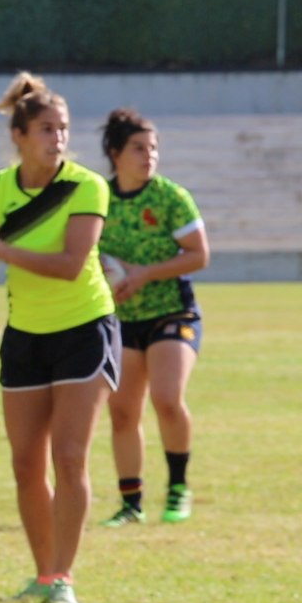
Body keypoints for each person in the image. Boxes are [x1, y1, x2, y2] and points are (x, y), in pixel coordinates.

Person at [0, 71, 119, 603]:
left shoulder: (86, 186)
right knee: (25, 464)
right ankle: (42, 573)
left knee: (69, 457)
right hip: (25, 334)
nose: (59, 138)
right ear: (20, 136)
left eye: (64, 129)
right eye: (47, 129)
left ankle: (63, 577)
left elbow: (73, 265)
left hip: (84, 328)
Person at [97, 108, 209, 527]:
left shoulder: (169, 197)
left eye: (154, 148)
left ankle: (178, 488)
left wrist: (144, 274)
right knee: (123, 411)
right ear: (115, 152)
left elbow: (199, 255)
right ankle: (131, 504)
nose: (150, 156)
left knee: (166, 398)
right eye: (139, 148)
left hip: (172, 312)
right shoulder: (98, 199)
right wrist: (109, 279)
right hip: (122, 319)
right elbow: (88, 254)